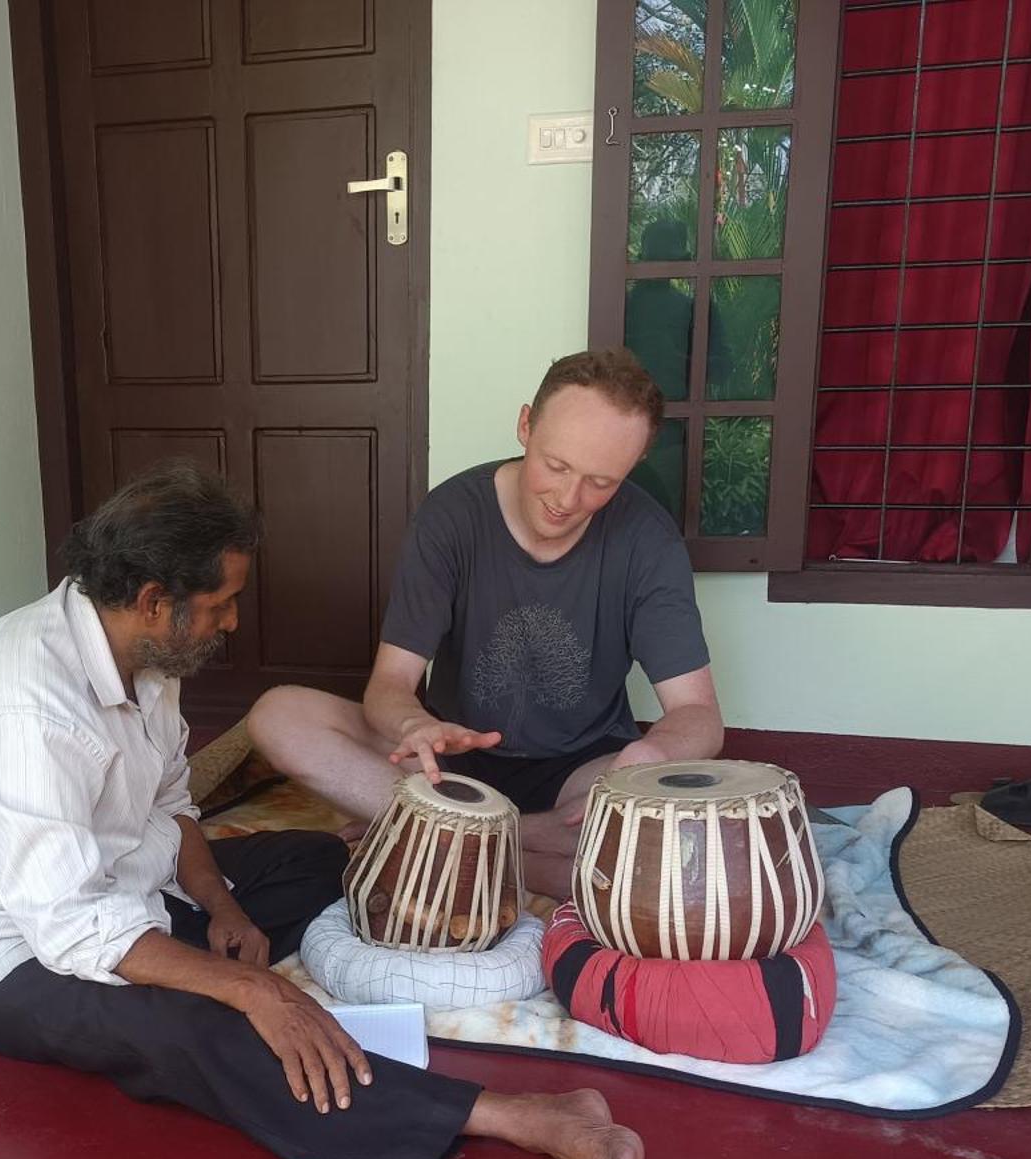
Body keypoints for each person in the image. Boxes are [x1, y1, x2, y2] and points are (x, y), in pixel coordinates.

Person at [0, 460, 643, 1159]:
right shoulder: (27, 709)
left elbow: (171, 805)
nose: (232, 621)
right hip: (4, 958)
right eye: (221, 603)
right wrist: (255, 990)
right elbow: (68, 927)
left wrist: (222, 906)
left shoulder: (146, 655)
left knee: (311, 858)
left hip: (125, 893)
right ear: (155, 601)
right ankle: (515, 1117)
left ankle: (232, 961)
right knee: (197, 1027)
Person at [249, 349, 724, 897]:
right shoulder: (451, 514)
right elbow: (391, 685)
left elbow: (698, 715)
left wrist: (653, 755)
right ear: (526, 425)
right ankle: (510, 853)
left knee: (675, 827)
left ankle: (443, 841)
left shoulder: (648, 539)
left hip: (580, 772)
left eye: (601, 482)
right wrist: (411, 725)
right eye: (557, 465)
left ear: (632, 465)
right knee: (278, 715)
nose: (568, 500)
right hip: (447, 764)